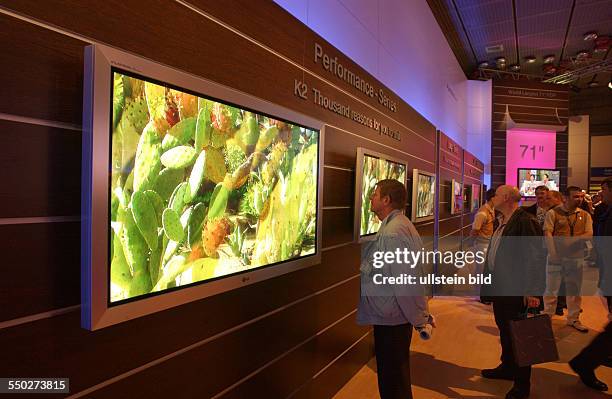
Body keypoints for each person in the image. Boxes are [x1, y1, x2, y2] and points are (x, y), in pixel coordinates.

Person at [357, 179, 433, 399]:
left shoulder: (394, 232)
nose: (371, 197)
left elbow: (406, 280)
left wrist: (420, 318)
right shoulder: (396, 225)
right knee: (394, 376)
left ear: (386, 200)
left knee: (393, 380)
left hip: (392, 318)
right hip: (391, 314)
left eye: (375, 193)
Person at [480, 185, 546, 399]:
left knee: (520, 336)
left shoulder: (525, 221)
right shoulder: (504, 221)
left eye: (497, 194)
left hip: (516, 290)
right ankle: (507, 367)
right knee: (505, 331)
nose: (493, 197)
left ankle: (521, 385)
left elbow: (535, 257)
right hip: (503, 288)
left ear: (507, 197)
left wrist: (533, 291)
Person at [569, 177, 612, 391]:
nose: (600, 192)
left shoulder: (602, 211)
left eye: (603, 189)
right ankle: (585, 362)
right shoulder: (604, 211)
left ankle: (589, 360)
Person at [543, 186, 593, 332]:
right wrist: (553, 254)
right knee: (551, 290)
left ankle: (574, 319)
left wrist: (571, 241)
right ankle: (547, 318)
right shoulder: (553, 213)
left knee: (575, 291)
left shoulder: (585, 215)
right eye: (576, 197)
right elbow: (548, 234)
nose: (580, 199)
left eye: (581, 196)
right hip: (555, 257)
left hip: (576, 258)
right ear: (565, 197)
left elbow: (589, 234)